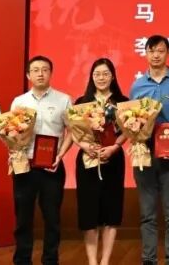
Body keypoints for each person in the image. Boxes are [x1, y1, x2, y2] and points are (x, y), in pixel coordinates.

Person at [128, 35, 169, 265]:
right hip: (144, 152)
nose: (156, 55)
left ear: (168, 53)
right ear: (145, 53)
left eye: (160, 50)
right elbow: (130, 118)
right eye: (151, 50)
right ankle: (149, 259)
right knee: (147, 212)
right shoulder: (137, 85)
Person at [10, 55, 73, 265]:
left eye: (45, 70)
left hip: (52, 167)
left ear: (50, 73)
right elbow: (11, 130)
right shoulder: (19, 102)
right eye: (35, 70)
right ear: (28, 75)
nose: (40, 74)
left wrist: (60, 155)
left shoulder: (64, 99)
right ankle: (22, 260)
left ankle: (50, 259)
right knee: (23, 218)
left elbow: (72, 131)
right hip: (25, 166)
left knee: (52, 218)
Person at [72, 58, 128, 265]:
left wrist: (115, 147)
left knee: (111, 212)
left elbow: (129, 130)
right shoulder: (82, 102)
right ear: (91, 77)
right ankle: (92, 262)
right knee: (89, 213)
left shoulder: (122, 102)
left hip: (113, 160)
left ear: (112, 76)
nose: (101, 78)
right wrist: (85, 146)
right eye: (97, 74)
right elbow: (74, 132)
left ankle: (104, 261)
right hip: (88, 161)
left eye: (105, 74)